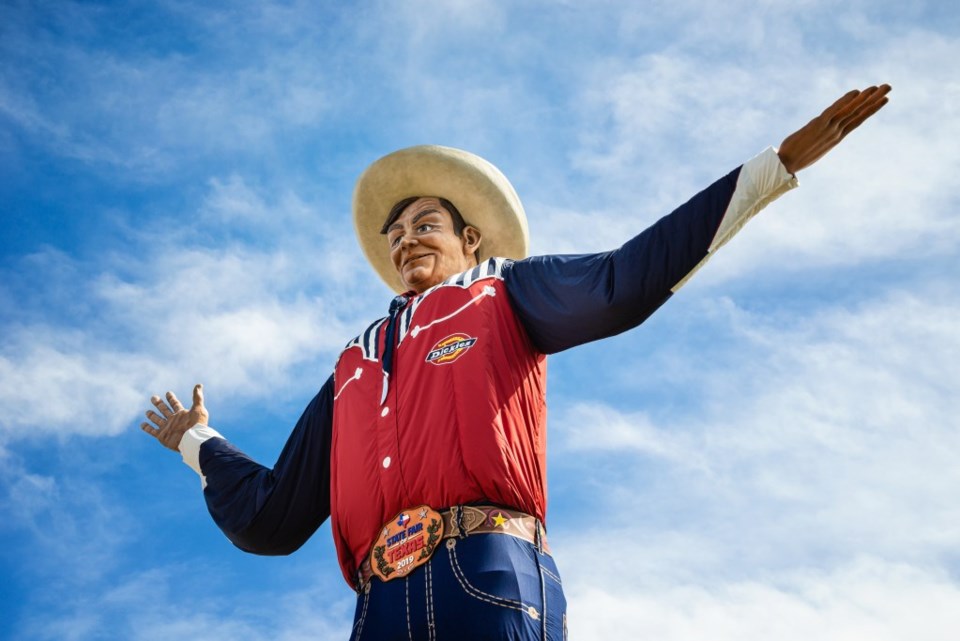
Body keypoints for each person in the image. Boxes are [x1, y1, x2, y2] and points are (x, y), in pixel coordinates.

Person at [141, 85, 891, 641]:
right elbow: (273, 515)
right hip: (378, 606)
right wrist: (196, 442)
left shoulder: (503, 292)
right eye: (396, 232)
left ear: (471, 240)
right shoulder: (355, 364)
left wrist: (772, 170)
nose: (406, 241)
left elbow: (624, 282)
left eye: (425, 223)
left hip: (488, 572)